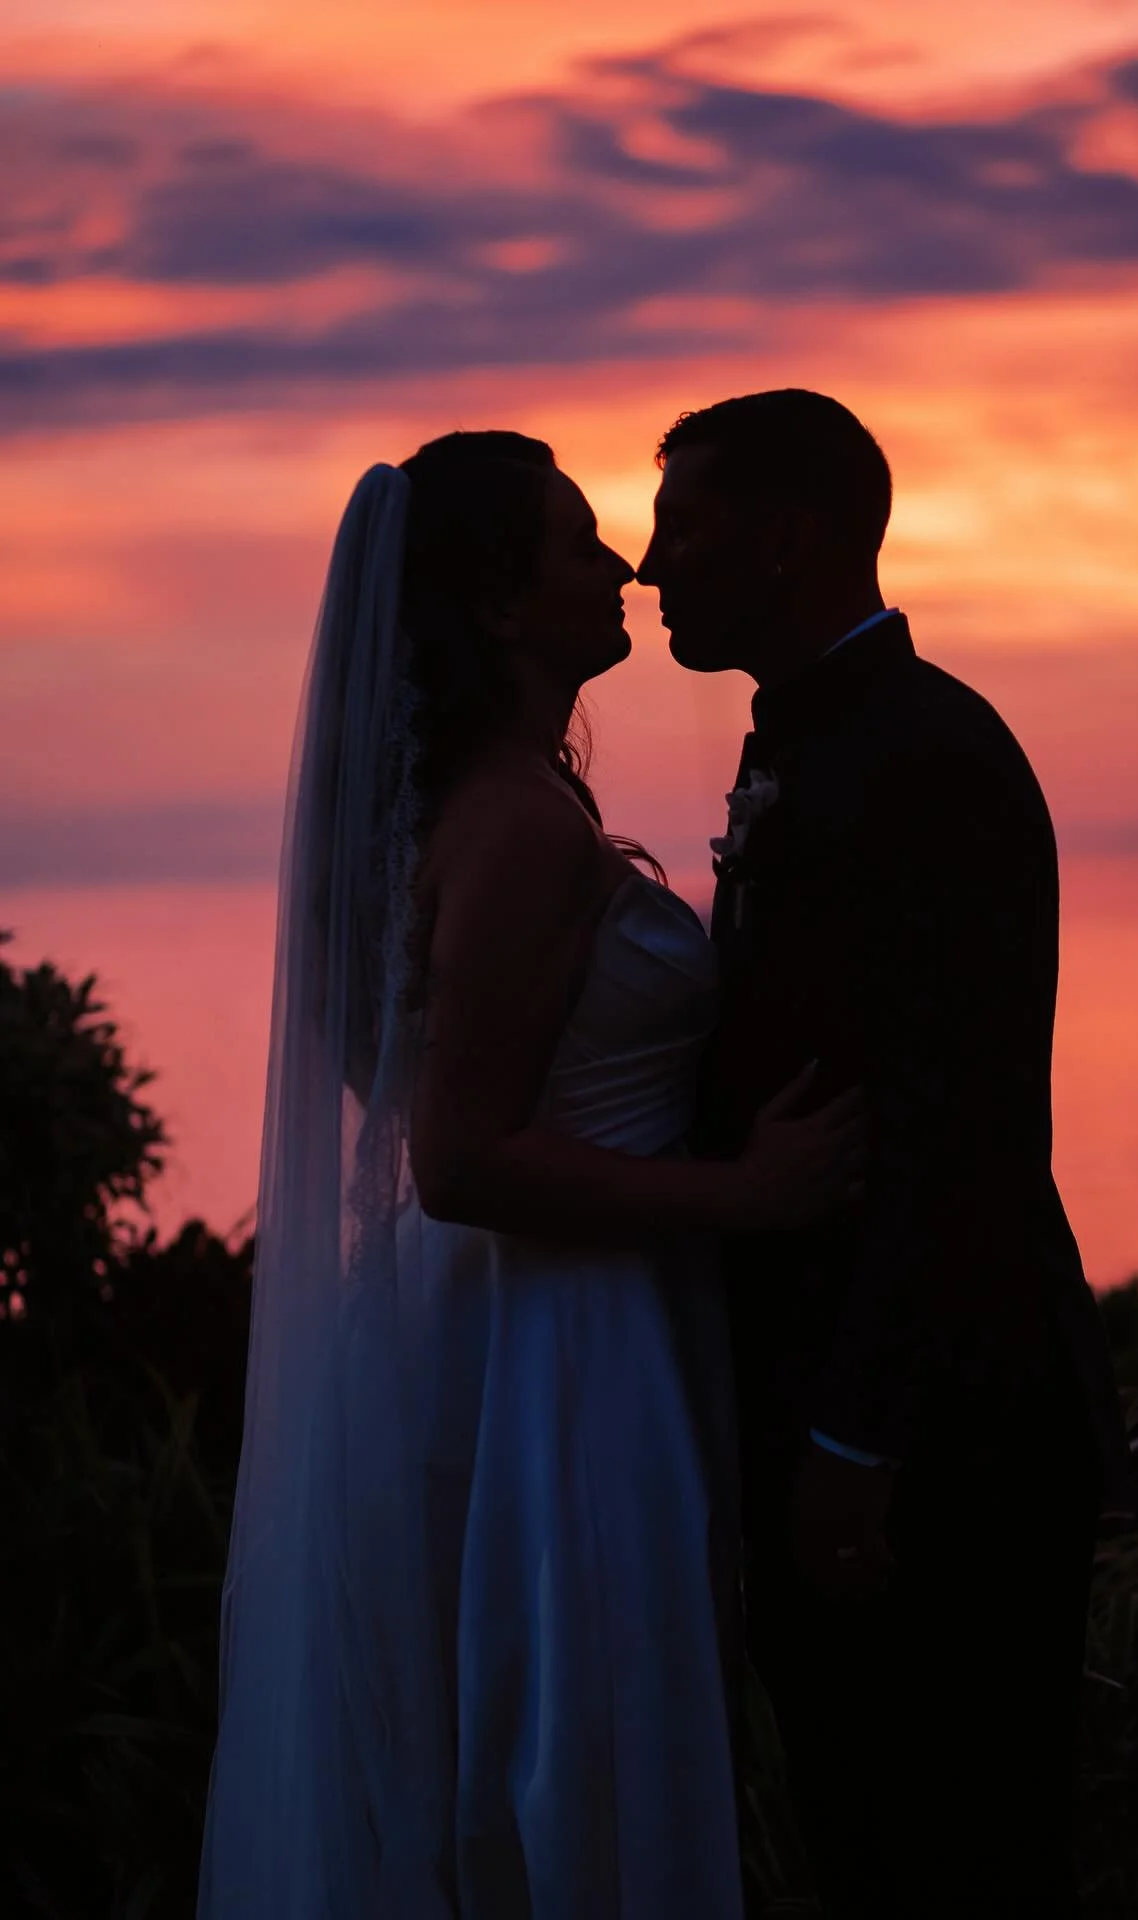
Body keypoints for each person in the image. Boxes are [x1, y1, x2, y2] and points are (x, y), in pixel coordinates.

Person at [198, 429, 862, 1920]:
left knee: (515, 1748)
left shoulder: (489, 812)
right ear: (500, 606)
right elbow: (460, 1158)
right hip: (567, 1357)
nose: (620, 562)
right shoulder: (512, 830)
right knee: (585, 1755)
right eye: (577, 544)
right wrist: (741, 1195)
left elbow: (407, 1074)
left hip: (494, 1331)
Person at [638, 389, 1137, 1918]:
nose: (650, 568)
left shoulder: (930, 757)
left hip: (944, 1438)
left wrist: (858, 1443)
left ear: (786, 540)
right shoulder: (816, 739)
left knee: (959, 1857)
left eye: (684, 526)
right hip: (838, 1409)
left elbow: (966, 1134)